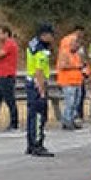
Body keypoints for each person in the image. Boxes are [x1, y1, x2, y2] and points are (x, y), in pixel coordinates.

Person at [25, 23, 56, 157]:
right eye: (51, 35)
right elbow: (39, 70)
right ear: (44, 35)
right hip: (37, 84)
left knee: (32, 115)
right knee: (39, 115)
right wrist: (42, 90)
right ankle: (38, 145)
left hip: (30, 81)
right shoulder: (41, 49)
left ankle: (31, 144)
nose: (53, 37)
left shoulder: (32, 43)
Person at [57, 25, 86, 130]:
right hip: (67, 81)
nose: (77, 46)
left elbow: (82, 65)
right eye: (76, 43)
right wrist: (76, 66)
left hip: (77, 81)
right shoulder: (65, 53)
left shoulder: (77, 55)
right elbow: (62, 65)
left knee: (76, 102)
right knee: (69, 102)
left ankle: (73, 120)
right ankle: (67, 121)